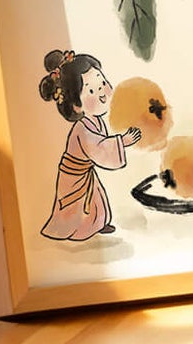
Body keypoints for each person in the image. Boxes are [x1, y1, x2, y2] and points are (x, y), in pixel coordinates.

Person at [38, 49, 140, 242]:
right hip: (74, 175)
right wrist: (122, 141)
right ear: (77, 105)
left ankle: (96, 224)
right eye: (92, 90)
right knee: (75, 205)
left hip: (84, 172)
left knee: (94, 199)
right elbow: (98, 147)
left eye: (102, 83)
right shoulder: (82, 129)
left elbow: (100, 146)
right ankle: (76, 230)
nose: (102, 92)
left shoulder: (94, 121)